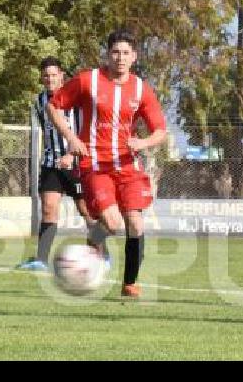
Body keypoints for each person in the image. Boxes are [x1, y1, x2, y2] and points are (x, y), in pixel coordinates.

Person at [46, 29, 167, 298]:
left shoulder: (141, 89)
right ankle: (95, 239)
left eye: (126, 53)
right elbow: (54, 106)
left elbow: (160, 130)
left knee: (135, 224)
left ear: (134, 57)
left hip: (127, 167)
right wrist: (71, 138)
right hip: (95, 166)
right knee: (112, 223)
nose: (120, 58)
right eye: (115, 52)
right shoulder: (88, 81)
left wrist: (142, 143)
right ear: (107, 54)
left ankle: (130, 283)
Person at [17, 57, 110, 271]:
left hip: (78, 162)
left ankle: (102, 255)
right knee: (49, 209)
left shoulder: (77, 99)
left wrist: (72, 154)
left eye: (53, 75)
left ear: (62, 76)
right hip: (52, 163)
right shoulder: (40, 101)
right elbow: (48, 131)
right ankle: (41, 260)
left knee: (87, 212)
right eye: (45, 75)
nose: (49, 79)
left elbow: (87, 129)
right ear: (42, 78)